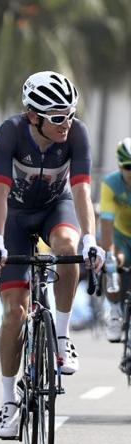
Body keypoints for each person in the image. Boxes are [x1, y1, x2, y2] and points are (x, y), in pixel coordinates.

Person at [0, 71, 104, 439]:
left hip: (57, 208)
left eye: (69, 113)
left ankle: (63, 339)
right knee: (14, 314)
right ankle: (8, 402)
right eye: (57, 117)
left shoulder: (76, 133)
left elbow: (82, 191)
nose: (66, 123)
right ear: (33, 116)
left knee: (68, 251)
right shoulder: (11, 132)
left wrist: (90, 239)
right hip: (16, 217)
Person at [99, 138, 131, 345]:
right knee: (111, 260)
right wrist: (109, 255)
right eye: (128, 167)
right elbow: (106, 228)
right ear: (120, 166)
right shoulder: (110, 184)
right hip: (120, 236)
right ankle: (114, 311)